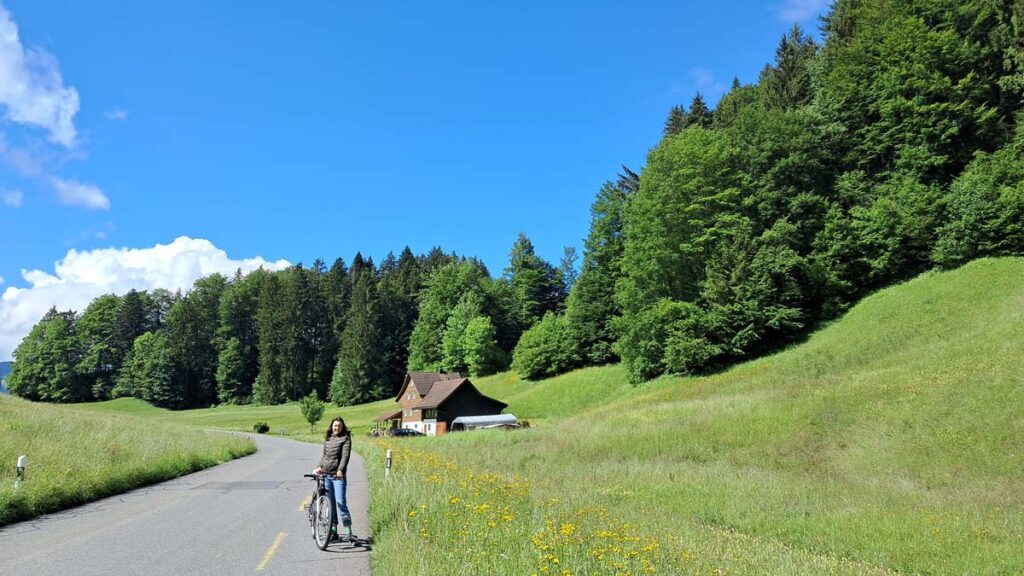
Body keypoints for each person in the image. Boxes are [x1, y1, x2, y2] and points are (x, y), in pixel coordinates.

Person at [313, 417, 352, 540]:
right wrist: (318, 467)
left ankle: (348, 530)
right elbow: (324, 456)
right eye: (335, 426)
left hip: (338, 477)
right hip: (326, 475)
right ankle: (333, 530)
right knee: (331, 505)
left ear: (342, 427)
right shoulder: (328, 438)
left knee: (341, 503)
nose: (337, 428)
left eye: (339, 426)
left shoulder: (345, 439)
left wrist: (340, 470)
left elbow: (345, 456)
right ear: (332, 426)